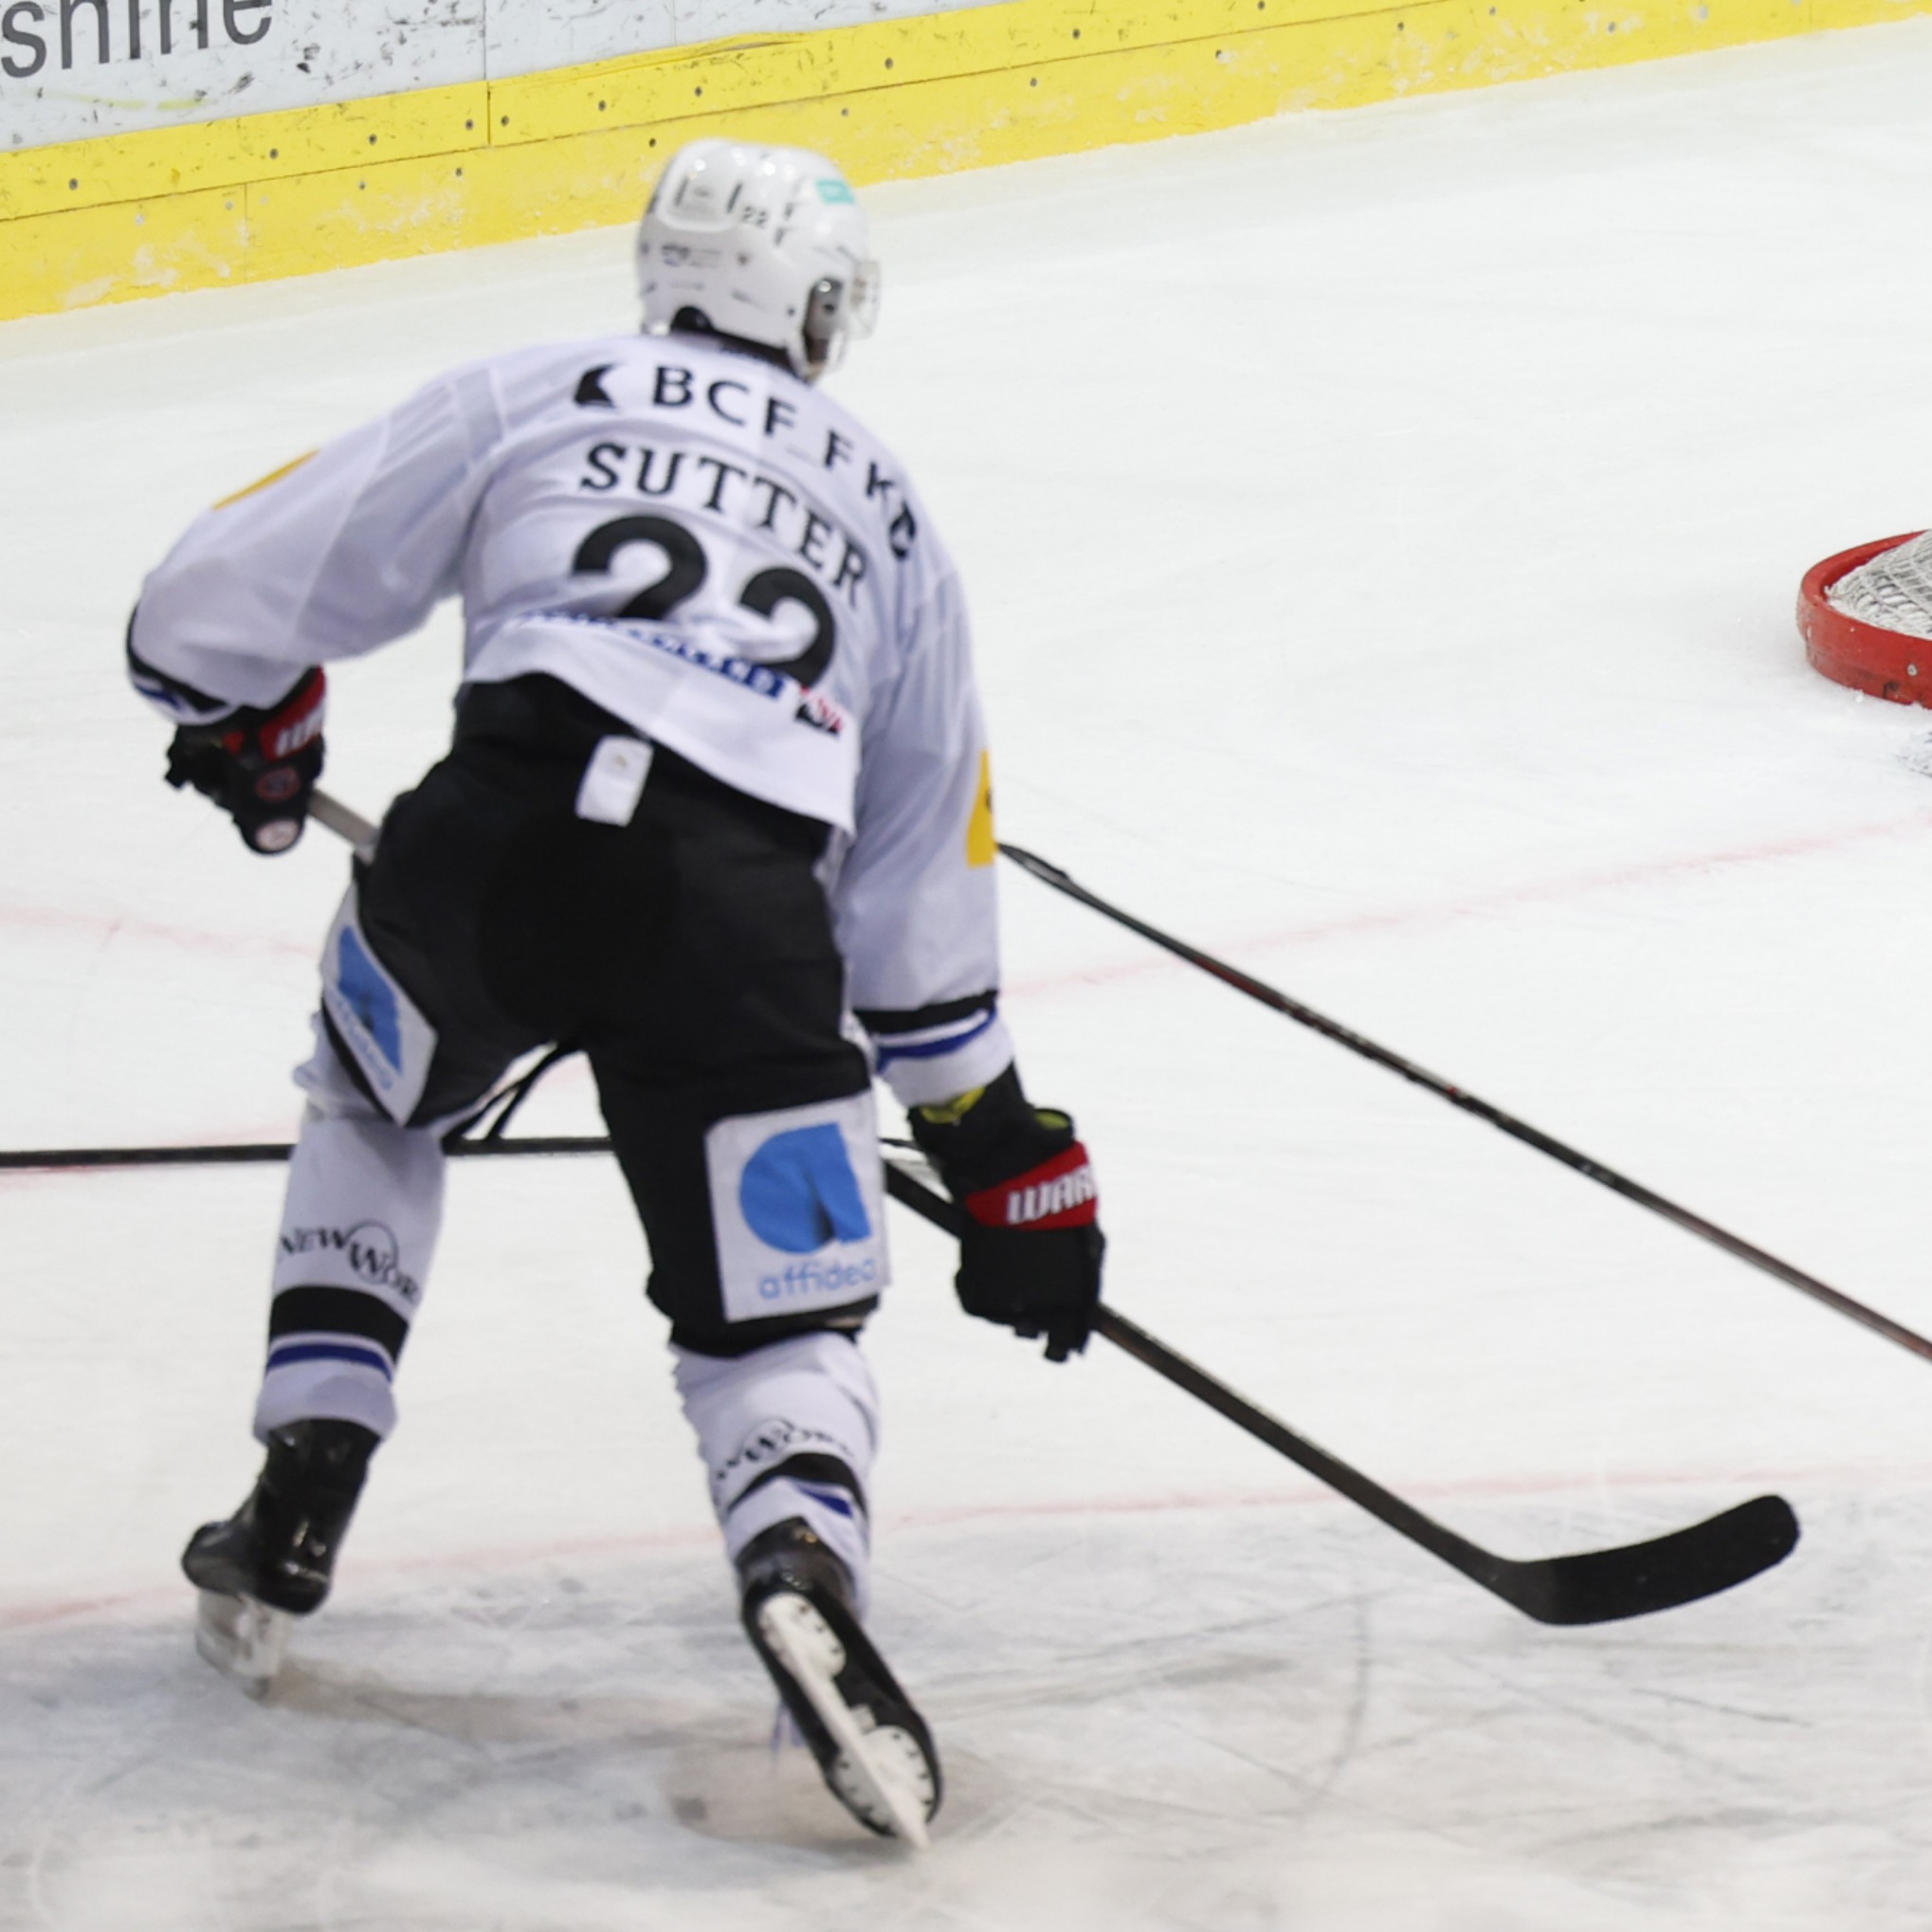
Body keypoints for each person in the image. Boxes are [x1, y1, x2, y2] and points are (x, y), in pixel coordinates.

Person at [126, 139, 1104, 1848]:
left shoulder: (531, 390)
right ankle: (796, 1554)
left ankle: (308, 1469)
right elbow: (918, 875)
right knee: (774, 1324)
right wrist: (998, 1145)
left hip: (489, 850)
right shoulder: (889, 513)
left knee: (372, 1097)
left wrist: (245, 718)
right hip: (734, 922)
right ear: (811, 307)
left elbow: (209, 598)